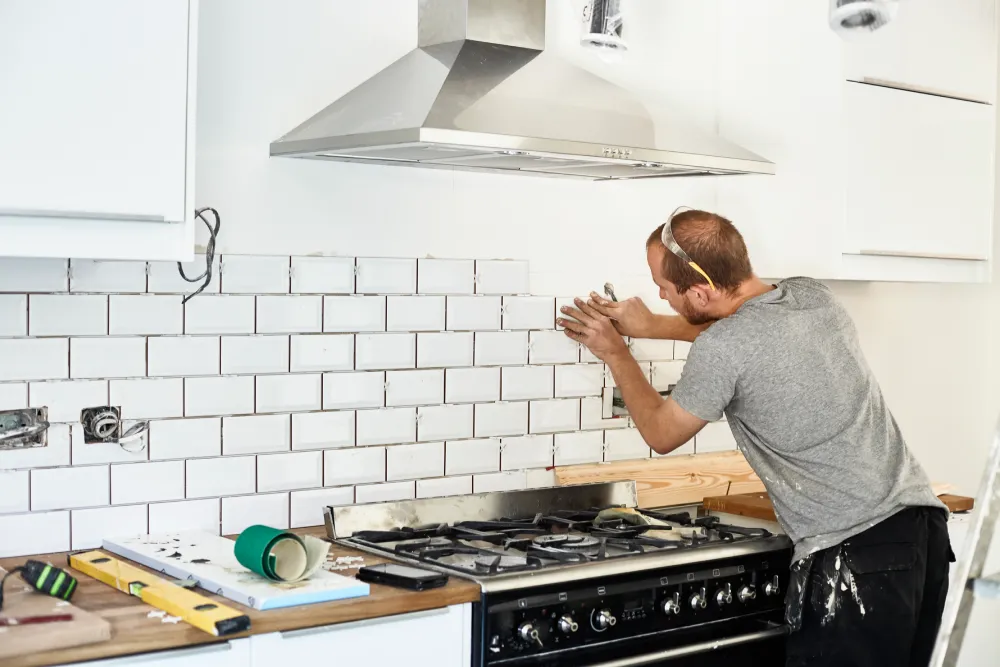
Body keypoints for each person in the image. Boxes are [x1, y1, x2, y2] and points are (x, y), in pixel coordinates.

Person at [558, 208, 954, 667]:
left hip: (856, 555)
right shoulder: (811, 296)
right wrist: (652, 326)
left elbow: (662, 432)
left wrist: (615, 352)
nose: (659, 298)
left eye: (664, 290)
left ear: (701, 291)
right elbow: (737, 327)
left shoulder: (723, 349)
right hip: (923, 532)